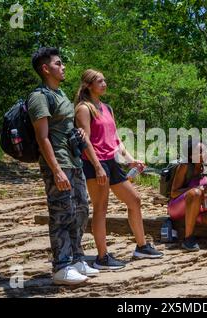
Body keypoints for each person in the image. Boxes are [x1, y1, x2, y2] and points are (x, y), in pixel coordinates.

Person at [74, 69, 163, 270]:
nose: (104, 83)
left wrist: (131, 160)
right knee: (101, 209)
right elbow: (85, 141)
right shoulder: (84, 109)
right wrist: (97, 167)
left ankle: (142, 247)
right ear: (88, 85)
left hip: (112, 162)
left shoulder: (107, 108)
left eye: (105, 80)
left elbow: (115, 140)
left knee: (135, 200)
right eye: (100, 81)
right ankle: (102, 257)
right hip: (95, 163)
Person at [28, 47, 98, 285]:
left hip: (74, 161)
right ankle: (61, 266)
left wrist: (77, 133)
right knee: (61, 214)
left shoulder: (61, 94)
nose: (64, 66)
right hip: (57, 163)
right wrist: (56, 170)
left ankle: (77, 258)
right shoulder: (39, 96)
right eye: (58, 63)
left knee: (80, 211)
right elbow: (42, 137)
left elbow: (65, 130)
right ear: (45, 69)